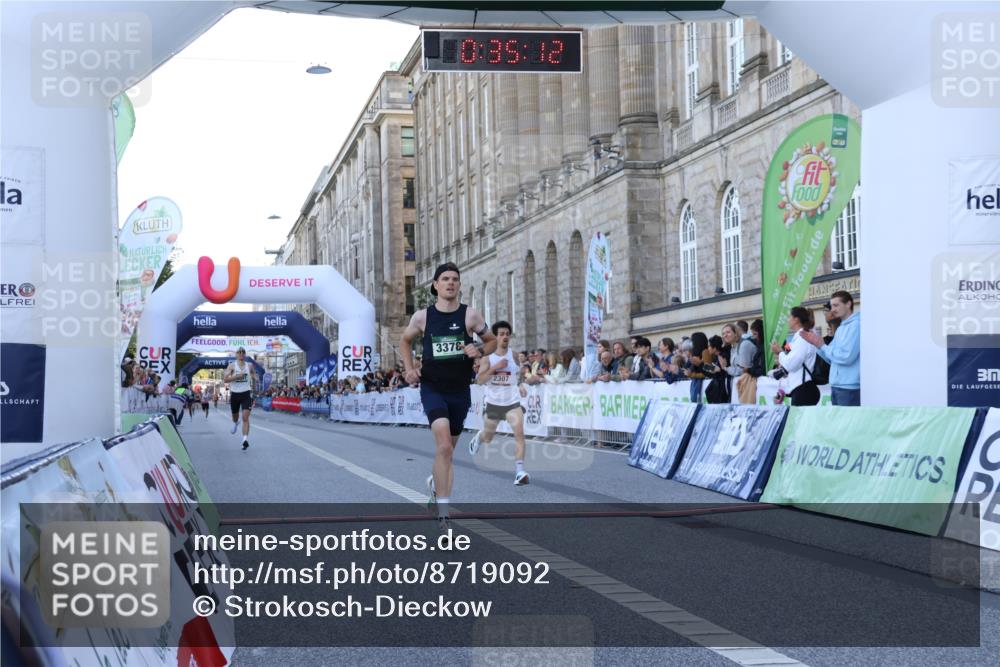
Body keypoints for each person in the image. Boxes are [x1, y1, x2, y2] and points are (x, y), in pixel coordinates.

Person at [399, 262, 496, 529]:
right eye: (445, 279)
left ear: (459, 285)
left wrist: (479, 350)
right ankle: (444, 514)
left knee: (448, 453)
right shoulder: (423, 317)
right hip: (433, 388)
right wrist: (409, 369)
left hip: (460, 391)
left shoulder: (470, 316)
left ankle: (435, 484)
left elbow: (491, 341)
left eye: (454, 279)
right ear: (435, 285)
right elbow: (405, 340)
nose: (450, 283)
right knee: (443, 447)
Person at [470, 321, 530, 485]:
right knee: (488, 437)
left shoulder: (515, 355)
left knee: (519, 435)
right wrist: (495, 367)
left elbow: (518, 375)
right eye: (501, 334)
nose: (505, 337)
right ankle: (480, 437)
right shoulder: (487, 358)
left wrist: (520, 385)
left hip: (512, 402)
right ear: (495, 337)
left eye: (507, 334)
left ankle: (519, 472)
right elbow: (480, 381)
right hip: (493, 403)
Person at [801, 291, 860, 405]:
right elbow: (831, 359)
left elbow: (846, 357)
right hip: (838, 385)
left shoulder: (855, 325)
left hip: (849, 387)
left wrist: (822, 346)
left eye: (836, 305)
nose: (832, 309)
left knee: (845, 418)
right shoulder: (841, 328)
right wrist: (817, 345)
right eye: (832, 306)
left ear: (848, 304)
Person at [770, 307, 820, 406]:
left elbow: (790, 365)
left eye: (789, 316)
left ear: (796, 319)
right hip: (802, 388)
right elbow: (793, 363)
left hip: (803, 389)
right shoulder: (801, 337)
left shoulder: (802, 338)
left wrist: (779, 352)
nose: (788, 320)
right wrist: (781, 352)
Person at [224, 347, 256, 450]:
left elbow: (253, 373)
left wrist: (256, 377)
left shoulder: (249, 365)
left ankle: (244, 440)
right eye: (239, 352)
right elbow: (225, 379)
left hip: (246, 394)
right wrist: (236, 377)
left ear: (245, 354)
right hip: (235, 394)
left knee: (245, 417)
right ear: (236, 354)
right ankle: (235, 423)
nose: (241, 353)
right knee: (235, 417)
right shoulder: (232, 366)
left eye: (243, 352)